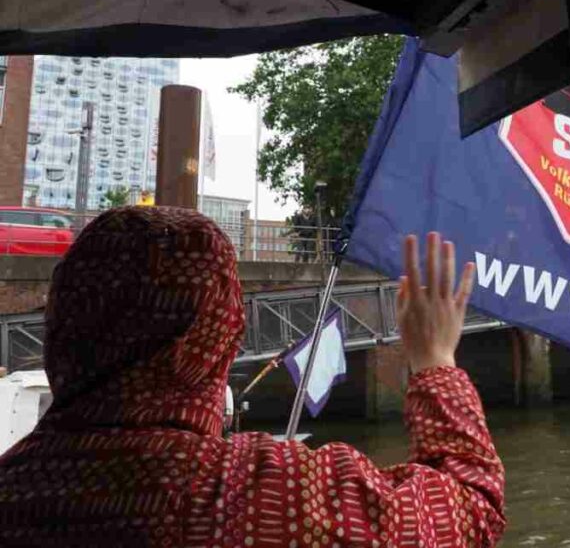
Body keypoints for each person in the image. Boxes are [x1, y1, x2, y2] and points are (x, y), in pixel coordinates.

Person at [0, 207, 505, 547]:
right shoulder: (274, 495)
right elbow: (471, 507)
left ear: (62, 325)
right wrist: (435, 359)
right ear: (219, 335)